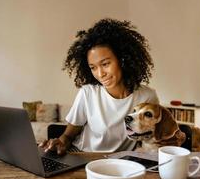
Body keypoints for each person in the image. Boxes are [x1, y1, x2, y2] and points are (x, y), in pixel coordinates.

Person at [39, 18, 159, 154]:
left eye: (105, 64)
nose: (100, 74)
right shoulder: (88, 93)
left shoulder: (147, 97)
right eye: (93, 67)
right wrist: (59, 143)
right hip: (85, 157)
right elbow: (68, 136)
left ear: (122, 59)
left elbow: (154, 135)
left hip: (122, 164)